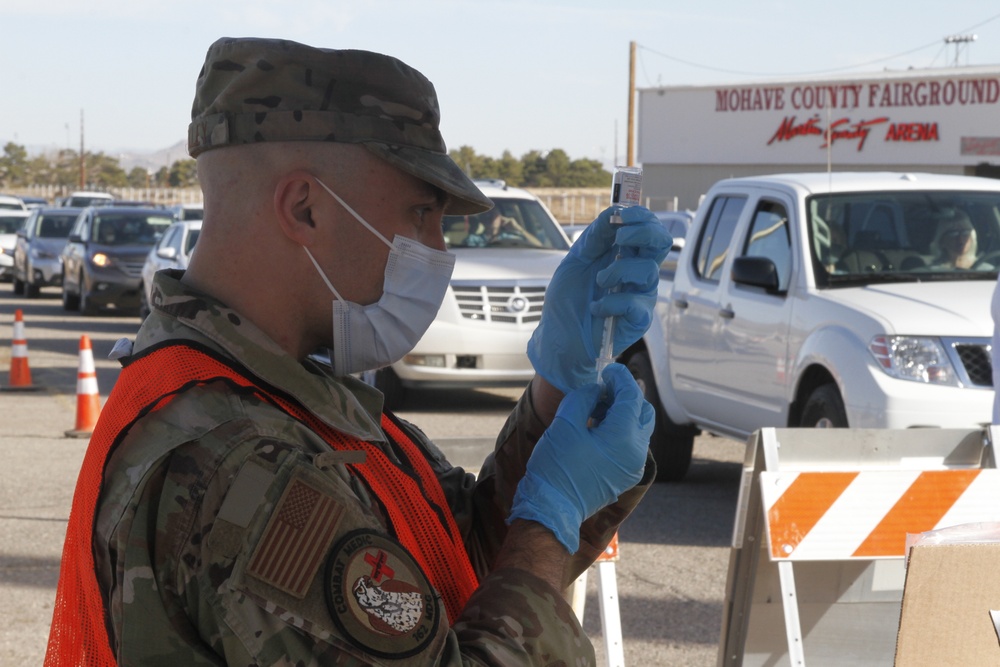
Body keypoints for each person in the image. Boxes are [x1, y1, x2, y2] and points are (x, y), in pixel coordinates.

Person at [45, 37, 672, 666]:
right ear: (305, 208)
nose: (438, 247)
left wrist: (558, 388)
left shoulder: (286, 400)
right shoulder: (240, 465)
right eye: (421, 211)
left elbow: (455, 564)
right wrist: (549, 521)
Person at [465, 209, 542, 246]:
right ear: (481, 220)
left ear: (501, 218)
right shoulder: (472, 239)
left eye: (493, 215)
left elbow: (538, 246)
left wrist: (518, 228)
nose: (490, 218)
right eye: (486, 215)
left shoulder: (513, 237)